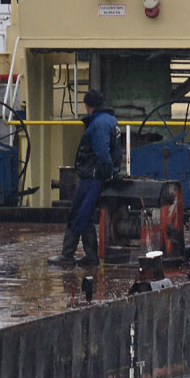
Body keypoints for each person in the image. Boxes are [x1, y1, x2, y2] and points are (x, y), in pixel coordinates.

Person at [49, 89, 122, 266]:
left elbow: (102, 152)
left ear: (88, 106)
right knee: (86, 215)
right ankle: (90, 256)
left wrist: (107, 173)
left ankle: (67, 255)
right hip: (97, 176)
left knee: (79, 212)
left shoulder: (98, 124)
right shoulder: (110, 120)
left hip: (92, 177)